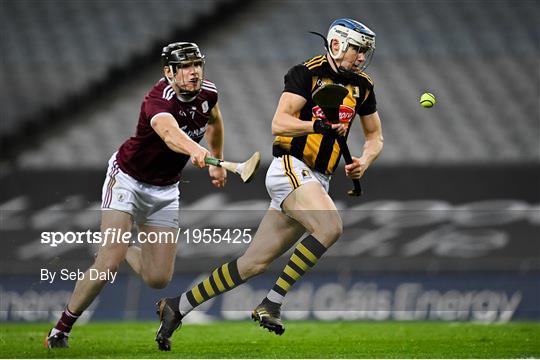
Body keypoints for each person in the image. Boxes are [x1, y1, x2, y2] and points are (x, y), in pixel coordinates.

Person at [155, 18, 384, 350]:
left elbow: (375, 136)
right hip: (290, 167)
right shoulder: (306, 73)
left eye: (366, 52)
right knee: (331, 227)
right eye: (357, 50)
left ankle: (177, 306)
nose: (362, 58)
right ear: (337, 44)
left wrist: (365, 160)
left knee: (252, 263)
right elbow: (280, 123)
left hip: (318, 178)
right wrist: (317, 127)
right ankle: (272, 303)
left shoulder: (363, 85)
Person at [45, 42, 228, 348]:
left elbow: (215, 121)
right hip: (128, 180)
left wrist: (217, 162)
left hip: (166, 189)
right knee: (108, 264)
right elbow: (170, 135)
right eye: (184, 67)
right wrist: (198, 150)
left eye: (196, 64)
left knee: (158, 278)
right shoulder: (158, 100)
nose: (193, 72)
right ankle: (61, 330)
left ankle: (120, 244)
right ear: (168, 72)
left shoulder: (209, 93)